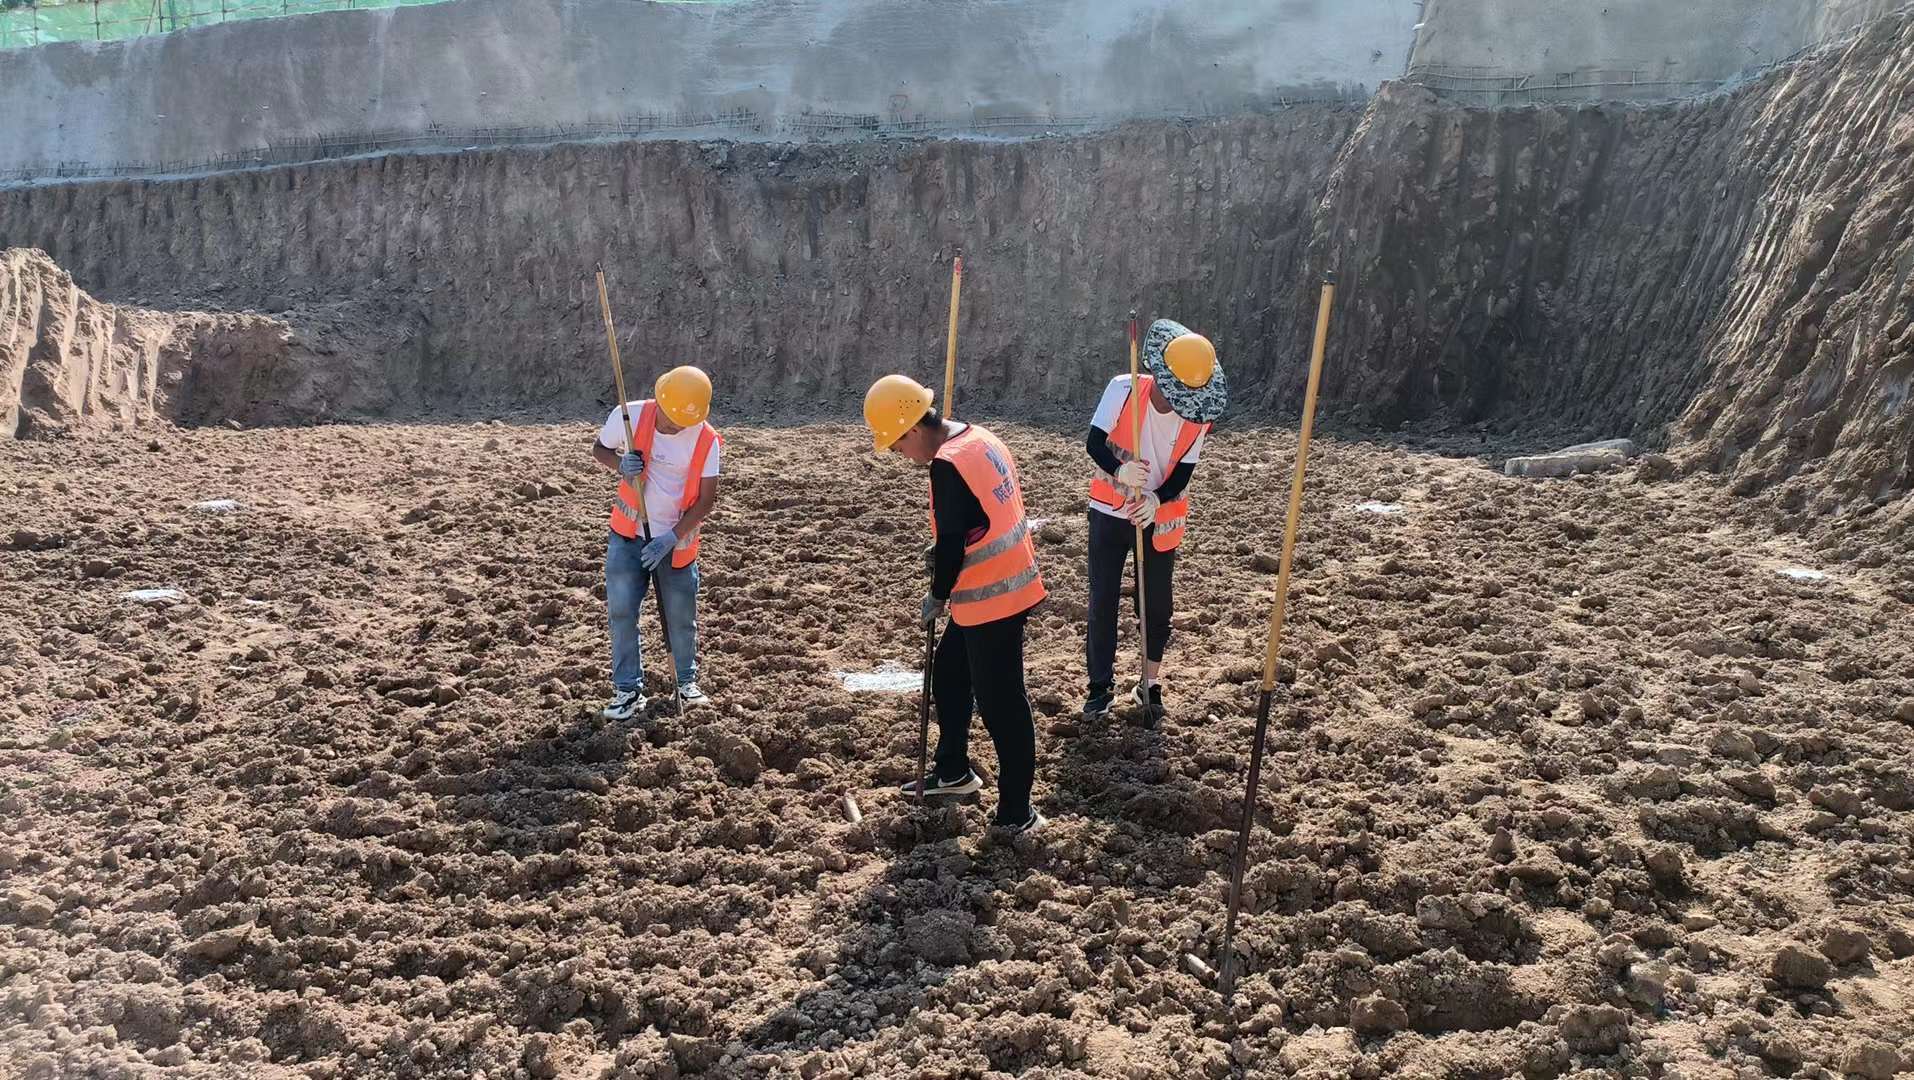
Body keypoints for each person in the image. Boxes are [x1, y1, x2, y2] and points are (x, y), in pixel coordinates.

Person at [864, 374, 1048, 835]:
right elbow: (979, 517)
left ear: (911, 430)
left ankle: (1017, 813)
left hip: (993, 596)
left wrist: (937, 593)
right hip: (1002, 585)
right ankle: (953, 771)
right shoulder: (978, 438)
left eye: (897, 446)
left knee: (1000, 702)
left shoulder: (945, 465)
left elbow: (950, 543)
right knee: (948, 674)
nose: (901, 456)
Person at [1082, 319, 1228, 721]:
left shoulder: (1197, 414)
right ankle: (1099, 686)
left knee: (1158, 605)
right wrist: (1119, 470)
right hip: (1109, 512)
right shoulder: (1123, 388)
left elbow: (1183, 472)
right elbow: (1094, 441)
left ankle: (1148, 683)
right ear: (1163, 380)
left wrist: (1155, 498)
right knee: (1103, 598)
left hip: (1156, 516)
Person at [590, 365, 722, 718]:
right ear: (658, 398)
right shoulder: (628, 416)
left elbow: (706, 501)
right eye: (668, 417)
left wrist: (670, 538)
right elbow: (599, 449)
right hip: (627, 535)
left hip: (674, 543)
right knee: (621, 612)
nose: (672, 426)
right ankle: (627, 690)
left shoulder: (706, 439)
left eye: (680, 423)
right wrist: (619, 466)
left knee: (680, 616)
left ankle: (685, 681)